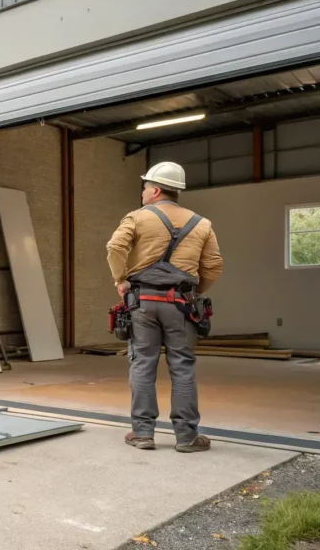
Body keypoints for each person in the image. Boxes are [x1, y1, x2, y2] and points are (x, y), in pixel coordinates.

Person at [106, 161, 223, 453]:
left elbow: (115, 248)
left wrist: (121, 280)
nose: (143, 193)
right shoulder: (203, 224)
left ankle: (143, 433)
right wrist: (192, 292)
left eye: (145, 188)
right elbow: (213, 266)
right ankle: (186, 438)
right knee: (182, 367)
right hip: (182, 305)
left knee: (143, 364)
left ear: (156, 190)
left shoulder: (137, 217)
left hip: (143, 302)